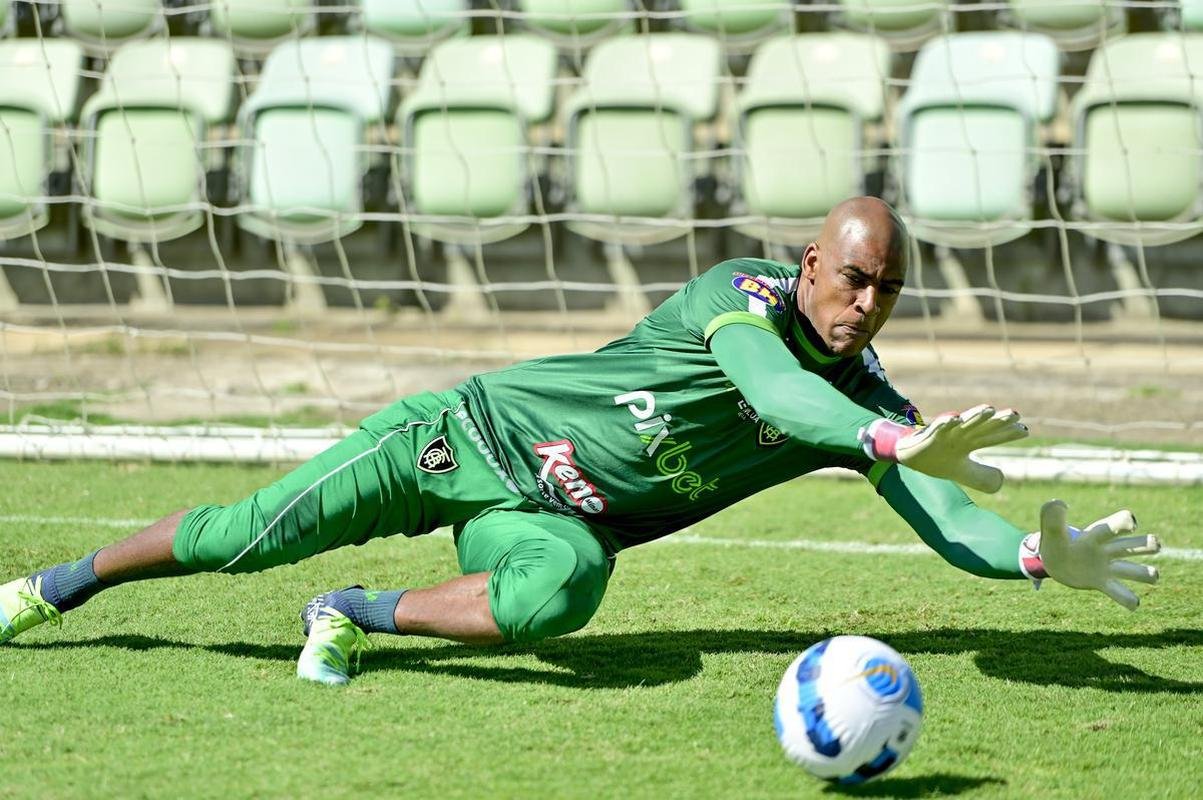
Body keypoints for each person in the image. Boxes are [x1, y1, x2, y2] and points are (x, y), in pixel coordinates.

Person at [0, 197, 1161, 685]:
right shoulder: (738, 301)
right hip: (459, 436)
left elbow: (941, 504)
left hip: (542, 511)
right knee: (245, 536)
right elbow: (778, 392)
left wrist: (1024, 556)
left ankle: (352, 613)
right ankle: (56, 587)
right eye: (854, 278)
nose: (867, 304)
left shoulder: (867, 394)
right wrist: (883, 435)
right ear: (812, 265)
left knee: (567, 585)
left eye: (888, 290)